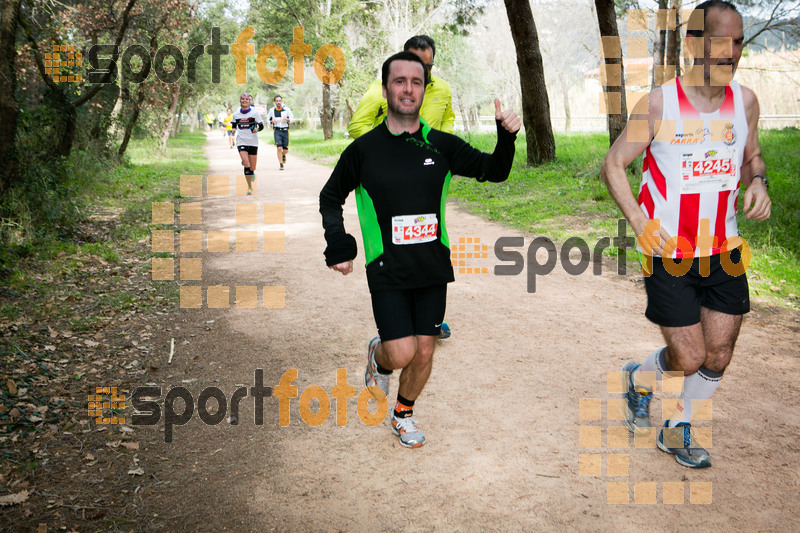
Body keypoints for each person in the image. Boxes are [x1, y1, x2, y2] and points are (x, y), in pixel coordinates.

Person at [601, 0, 771, 468]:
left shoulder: (747, 103)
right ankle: (639, 378)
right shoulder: (658, 104)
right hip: (669, 251)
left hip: (725, 250)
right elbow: (614, 165)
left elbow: (752, 156)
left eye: (739, 42)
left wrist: (758, 180)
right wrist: (639, 223)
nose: (732, 52)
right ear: (695, 43)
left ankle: (677, 428)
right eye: (722, 41)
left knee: (719, 352)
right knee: (691, 355)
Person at [320, 52, 520, 448]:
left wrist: (506, 136)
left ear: (424, 90)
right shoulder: (364, 150)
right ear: (385, 90)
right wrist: (340, 244)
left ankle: (403, 414)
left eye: (416, 82)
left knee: (425, 350)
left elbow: (495, 170)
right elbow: (330, 196)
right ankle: (378, 357)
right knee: (401, 352)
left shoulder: (441, 145)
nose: (408, 89)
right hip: (386, 267)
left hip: (430, 265)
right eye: (399, 81)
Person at [232, 93, 264, 195]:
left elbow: (261, 126)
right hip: (241, 141)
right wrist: (233, 129)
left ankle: (252, 171)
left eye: (246, 99)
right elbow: (234, 124)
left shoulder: (254, 113)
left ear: (249, 101)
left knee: (252, 167)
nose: (244, 101)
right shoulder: (236, 114)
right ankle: (249, 187)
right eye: (242, 99)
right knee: (246, 164)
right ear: (240, 100)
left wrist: (257, 129)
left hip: (253, 142)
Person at [267, 95, 294, 170]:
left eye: (279, 101)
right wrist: (271, 122)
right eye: (277, 101)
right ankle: (281, 164)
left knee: (285, 150)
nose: (278, 102)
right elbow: (268, 120)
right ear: (275, 102)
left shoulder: (287, 110)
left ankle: (283, 155)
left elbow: (292, 119)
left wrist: (287, 120)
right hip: (277, 130)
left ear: (281, 101)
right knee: (279, 148)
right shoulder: (272, 110)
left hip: (285, 130)